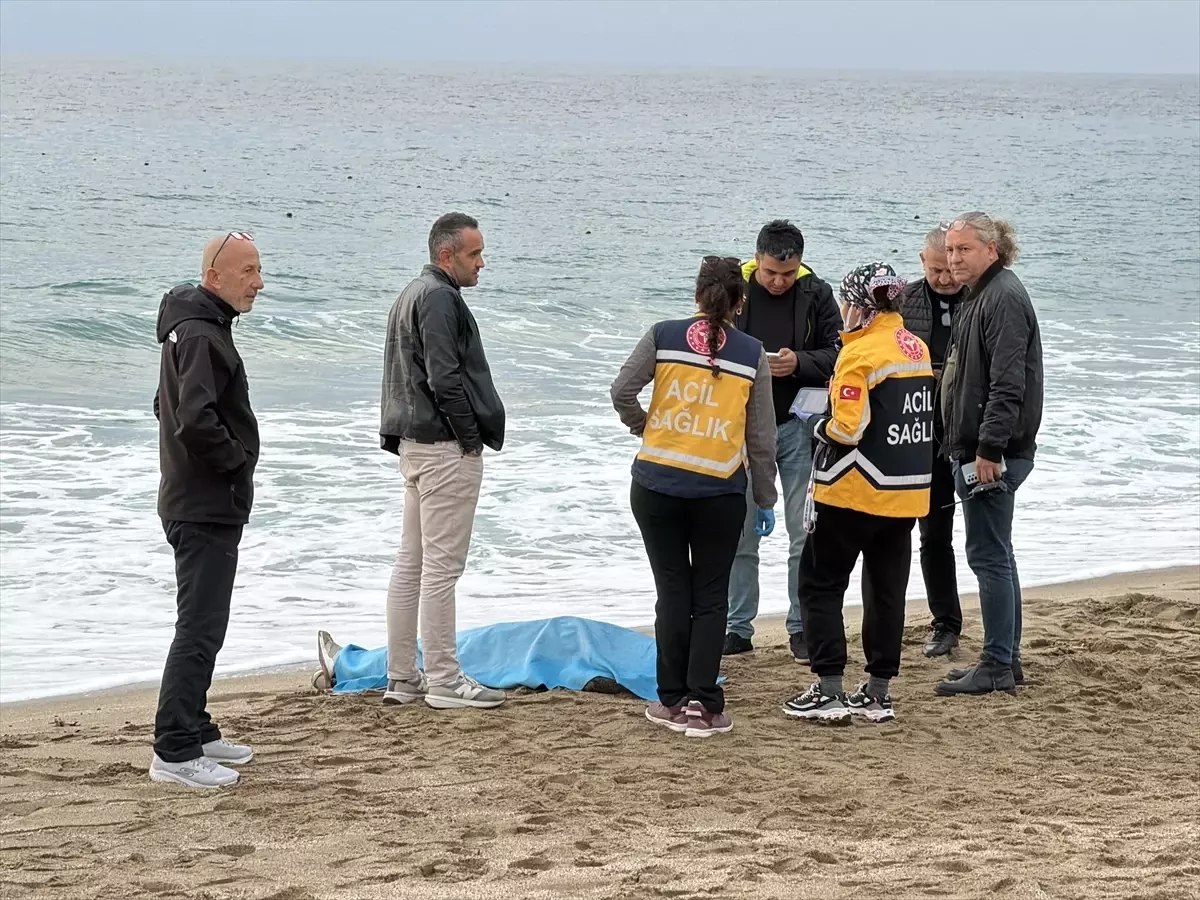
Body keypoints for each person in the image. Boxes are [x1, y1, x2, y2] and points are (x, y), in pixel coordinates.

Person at [610, 256, 779, 738]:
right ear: (740, 303)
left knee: (672, 591)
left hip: (656, 484)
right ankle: (703, 705)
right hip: (719, 491)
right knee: (710, 598)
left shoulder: (663, 334)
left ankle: (670, 700)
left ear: (697, 295)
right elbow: (761, 437)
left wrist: (646, 427)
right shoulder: (752, 354)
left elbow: (621, 390)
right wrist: (765, 498)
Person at [782, 263, 935, 726]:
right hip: (905, 494)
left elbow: (848, 429)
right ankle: (879, 694)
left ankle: (828, 689)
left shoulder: (859, 354)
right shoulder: (917, 348)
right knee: (886, 592)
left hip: (852, 492)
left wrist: (814, 422)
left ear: (858, 307)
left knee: (820, 584)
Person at [149, 231, 263, 788]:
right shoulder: (198, 332)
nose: (258, 282)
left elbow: (162, 405)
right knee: (198, 626)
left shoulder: (195, 328)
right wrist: (237, 462)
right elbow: (193, 419)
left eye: (259, 270)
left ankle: (195, 726)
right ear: (214, 278)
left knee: (206, 624)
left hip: (195, 497)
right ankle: (173, 750)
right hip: (203, 503)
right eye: (247, 271)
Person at [379, 212, 507, 710]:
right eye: (474, 254)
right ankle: (444, 680)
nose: (482, 262)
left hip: (414, 443)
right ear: (446, 255)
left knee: (412, 564)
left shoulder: (414, 292)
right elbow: (444, 378)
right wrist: (469, 439)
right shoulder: (437, 297)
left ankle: (403, 676)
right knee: (439, 569)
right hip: (440, 446)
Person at [723, 220, 843, 663]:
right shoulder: (734, 287)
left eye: (788, 274)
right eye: (772, 272)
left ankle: (800, 627)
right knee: (740, 535)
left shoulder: (817, 293)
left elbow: (840, 352)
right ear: (757, 259)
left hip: (797, 424)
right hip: (742, 428)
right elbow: (707, 341)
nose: (779, 282)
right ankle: (737, 628)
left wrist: (800, 362)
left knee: (802, 532)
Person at [935, 213, 1043, 697]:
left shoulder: (1002, 297)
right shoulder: (982, 294)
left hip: (993, 452)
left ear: (992, 250)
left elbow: (1007, 384)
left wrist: (988, 450)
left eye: (964, 250)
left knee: (987, 554)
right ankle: (1008, 658)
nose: (954, 259)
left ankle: (998, 662)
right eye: (950, 250)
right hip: (982, 446)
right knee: (998, 551)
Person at [897, 225, 968, 658]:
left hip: (954, 436)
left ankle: (946, 623)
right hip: (905, 433)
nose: (944, 278)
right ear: (922, 262)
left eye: (949, 269)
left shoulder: (979, 301)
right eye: (935, 269)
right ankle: (887, 615)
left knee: (937, 536)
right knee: (891, 534)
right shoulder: (903, 300)